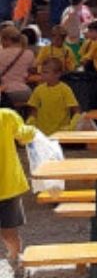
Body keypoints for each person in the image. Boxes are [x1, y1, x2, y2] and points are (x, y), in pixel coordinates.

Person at [0, 105, 36, 277]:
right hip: (8, 186)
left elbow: (24, 135)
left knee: (9, 233)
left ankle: (16, 260)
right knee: (9, 233)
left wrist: (30, 130)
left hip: (6, 187)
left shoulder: (6, 116)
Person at [27, 58, 79, 135]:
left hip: (61, 133)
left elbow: (76, 110)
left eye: (46, 72)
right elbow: (33, 110)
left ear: (58, 74)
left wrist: (72, 125)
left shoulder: (65, 89)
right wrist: (31, 122)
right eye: (41, 72)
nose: (42, 74)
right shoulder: (38, 89)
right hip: (42, 133)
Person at [0, 27, 35, 108]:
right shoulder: (29, 53)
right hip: (26, 92)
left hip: (6, 93)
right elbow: (33, 71)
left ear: (6, 39)